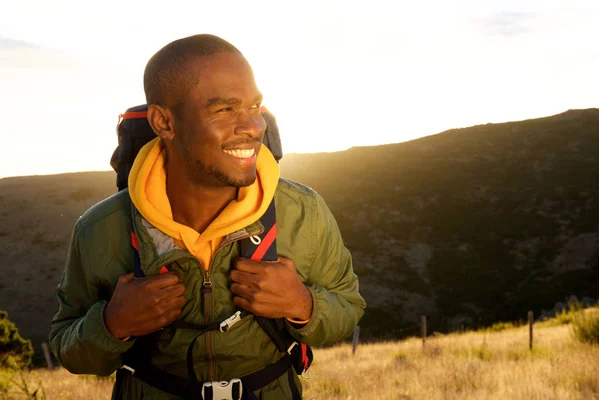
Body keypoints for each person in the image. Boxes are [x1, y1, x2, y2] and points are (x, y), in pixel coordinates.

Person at [49, 34, 365, 400]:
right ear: (164, 122)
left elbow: (349, 307)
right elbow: (67, 346)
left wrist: (303, 306)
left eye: (255, 106)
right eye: (225, 109)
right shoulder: (101, 229)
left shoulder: (303, 210)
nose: (253, 126)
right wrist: (112, 324)